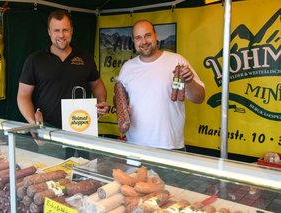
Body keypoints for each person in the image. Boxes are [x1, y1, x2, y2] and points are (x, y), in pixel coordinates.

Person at [17, 10, 109, 159]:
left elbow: (97, 84)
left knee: (83, 175)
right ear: (49, 32)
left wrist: (102, 101)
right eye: (56, 30)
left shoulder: (85, 57)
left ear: (71, 31)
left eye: (65, 30)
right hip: (49, 131)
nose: (61, 35)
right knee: (52, 177)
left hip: (81, 128)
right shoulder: (35, 60)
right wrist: (33, 123)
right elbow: (23, 95)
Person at [117, 19, 205, 150]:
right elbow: (119, 99)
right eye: (138, 37)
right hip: (135, 146)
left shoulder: (177, 61)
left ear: (155, 35)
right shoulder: (127, 68)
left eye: (148, 35)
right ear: (134, 40)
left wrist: (189, 81)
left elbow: (199, 98)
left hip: (170, 146)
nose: (144, 42)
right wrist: (123, 112)